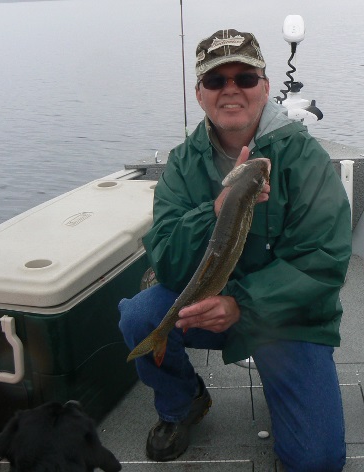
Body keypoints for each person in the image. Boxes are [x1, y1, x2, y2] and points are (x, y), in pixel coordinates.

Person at [119, 28, 351, 472]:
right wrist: (216, 210)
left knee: (317, 461)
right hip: (208, 303)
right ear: (199, 94)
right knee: (141, 315)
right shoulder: (183, 164)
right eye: (215, 80)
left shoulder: (304, 159)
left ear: (265, 87)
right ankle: (182, 403)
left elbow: (322, 263)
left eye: (244, 78)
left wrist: (241, 304)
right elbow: (166, 259)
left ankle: (285, 385)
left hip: (288, 320)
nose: (231, 90)